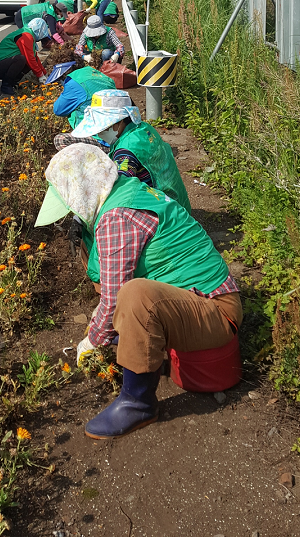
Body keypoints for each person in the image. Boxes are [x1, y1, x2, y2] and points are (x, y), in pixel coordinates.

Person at [35, 144, 242, 439]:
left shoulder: (117, 216)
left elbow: (115, 294)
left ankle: (138, 402)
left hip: (216, 313)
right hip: (197, 300)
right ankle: (140, 351)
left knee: (134, 296)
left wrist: (93, 341)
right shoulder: (125, 189)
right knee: (120, 287)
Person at [70, 90, 190, 212]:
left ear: (120, 121)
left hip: (163, 211)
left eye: (102, 128)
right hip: (178, 202)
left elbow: (118, 188)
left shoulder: (126, 150)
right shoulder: (143, 128)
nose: (98, 133)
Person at [0, 17, 49, 96]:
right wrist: (40, 75)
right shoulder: (26, 36)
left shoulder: (29, 34)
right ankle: (6, 85)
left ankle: (13, 82)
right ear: (39, 30)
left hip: (3, 64)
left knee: (26, 62)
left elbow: (35, 58)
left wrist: (44, 73)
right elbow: (30, 58)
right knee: (21, 59)